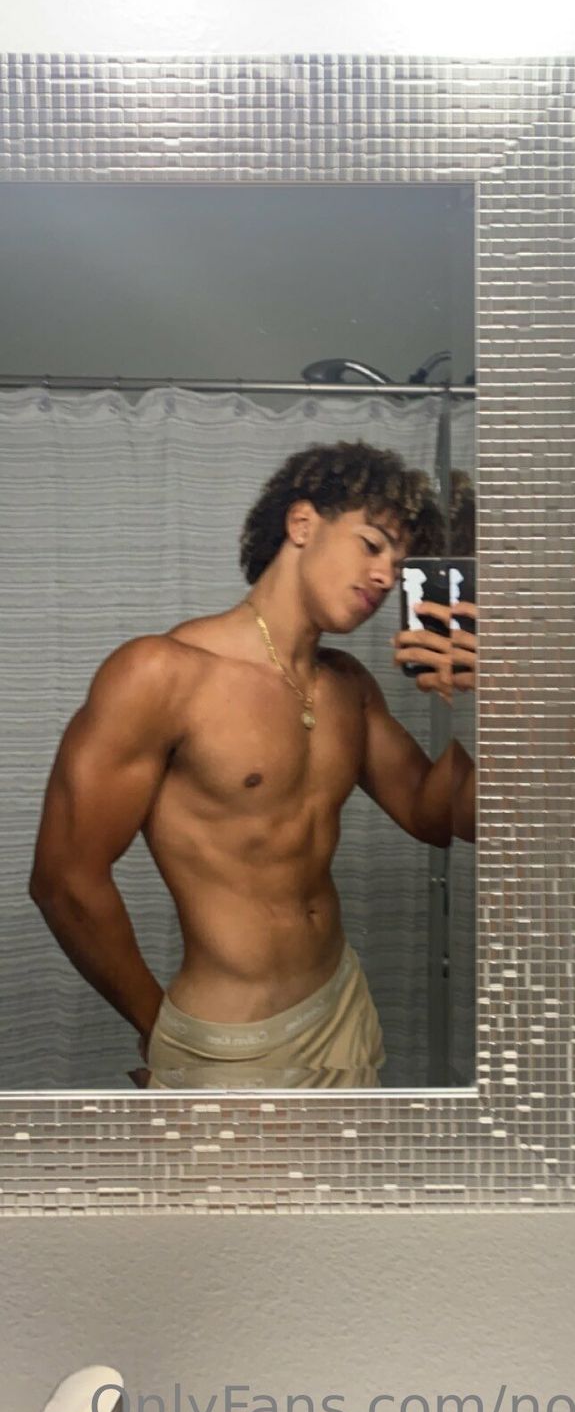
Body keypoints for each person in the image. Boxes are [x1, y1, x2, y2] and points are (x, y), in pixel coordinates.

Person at [28, 440, 477, 1091]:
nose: (385, 577)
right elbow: (64, 879)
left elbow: (439, 818)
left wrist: (494, 697)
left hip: (342, 1005)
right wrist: (162, 1031)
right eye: (372, 545)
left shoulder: (348, 686)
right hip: (229, 1037)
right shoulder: (161, 674)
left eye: (400, 564)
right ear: (302, 523)